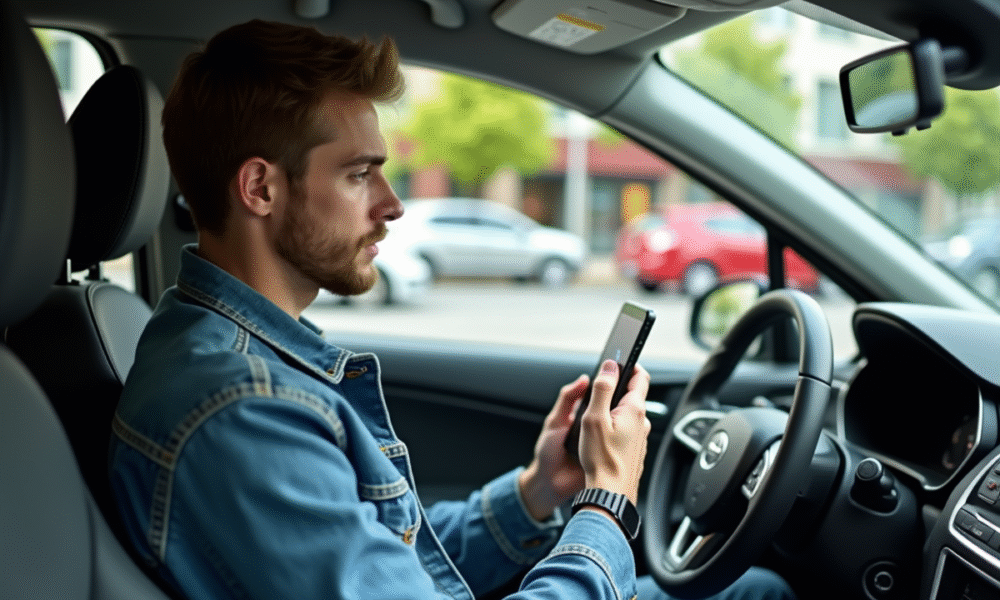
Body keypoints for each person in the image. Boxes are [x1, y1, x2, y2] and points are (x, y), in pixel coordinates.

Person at [109, 19, 796, 600]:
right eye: (358, 174)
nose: (392, 203)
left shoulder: (237, 354)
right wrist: (608, 500)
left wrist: (538, 489)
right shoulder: (241, 408)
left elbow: (395, 565)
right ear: (260, 187)